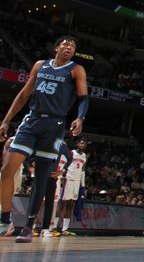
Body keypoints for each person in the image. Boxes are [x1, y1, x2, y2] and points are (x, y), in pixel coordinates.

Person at [0, 36, 88, 242]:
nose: (69, 47)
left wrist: (80, 118)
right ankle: (5, 219)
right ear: (57, 47)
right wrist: (6, 120)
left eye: (73, 46)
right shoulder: (40, 66)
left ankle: (29, 227)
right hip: (32, 120)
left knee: (41, 177)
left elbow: (83, 98)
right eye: (65, 44)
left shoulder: (76, 70)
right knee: (6, 170)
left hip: (55, 125)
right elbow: (23, 94)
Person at [55, 137, 87, 236]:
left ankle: (65, 228)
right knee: (62, 203)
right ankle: (54, 227)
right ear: (77, 144)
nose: (83, 145)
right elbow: (65, 164)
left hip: (77, 182)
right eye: (81, 143)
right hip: (68, 179)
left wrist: (83, 184)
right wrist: (63, 177)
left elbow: (83, 171)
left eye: (85, 144)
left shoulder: (85, 156)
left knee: (71, 204)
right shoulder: (71, 153)